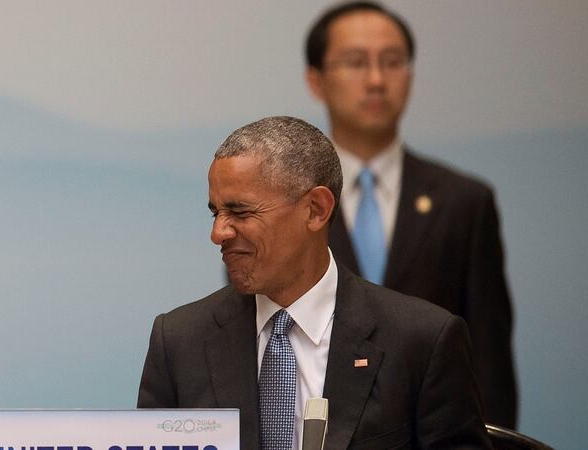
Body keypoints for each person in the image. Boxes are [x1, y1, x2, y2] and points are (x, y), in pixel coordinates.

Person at [138, 116, 492, 450]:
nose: (218, 233)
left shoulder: (421, 343)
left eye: (241, 212)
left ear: (316, 209)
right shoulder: (179, 342)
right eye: (216, 212)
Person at [304, 1, 517, 428]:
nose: (377, 80)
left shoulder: (463, 201)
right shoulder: (287, 202)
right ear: (317, 80)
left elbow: (489, 360)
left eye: (393, 62)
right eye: (356, 63)